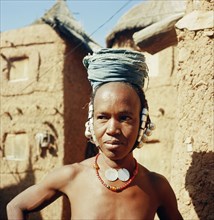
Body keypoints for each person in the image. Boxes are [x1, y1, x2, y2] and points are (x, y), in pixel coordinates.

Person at [7, 48, 183, 220]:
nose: (112, 129)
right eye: (102, 117)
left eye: (125, 118)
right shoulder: (72, 176)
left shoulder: (156, 187)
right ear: (91, 121)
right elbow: (16, 206)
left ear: (142, 121)